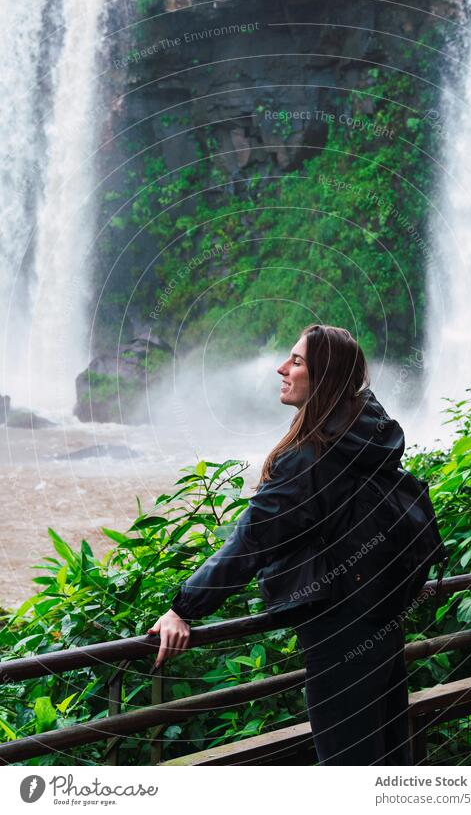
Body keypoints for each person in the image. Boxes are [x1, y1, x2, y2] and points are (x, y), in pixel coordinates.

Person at [147, 323, 412, 765]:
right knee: (385, 761)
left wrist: (182, 608)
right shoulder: (367, 431)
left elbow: (252, 539)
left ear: (323, 376)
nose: (281, 368)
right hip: (380, 617)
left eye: (297, 361)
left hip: (341, 631)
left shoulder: (314, 457)